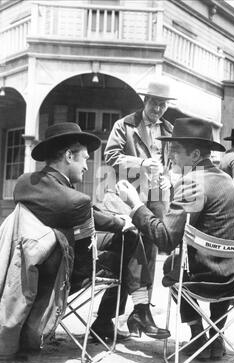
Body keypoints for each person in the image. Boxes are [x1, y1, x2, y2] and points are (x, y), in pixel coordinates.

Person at [116, 118, 234, 360]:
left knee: (171, 265)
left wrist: (134, 203)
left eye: (175, 150)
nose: (170, 155)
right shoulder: (222, 178)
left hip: (217, 280)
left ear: (194, 154)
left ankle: (198, 336)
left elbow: (165, 239)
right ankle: (216, 338)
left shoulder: (192, 182)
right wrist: (164, 194)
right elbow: (182, 223)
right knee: (198, 261)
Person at [13, 122, 141, 342]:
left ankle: (132, 308)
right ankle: (115, 316)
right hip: (64, 272)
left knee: (123, 237)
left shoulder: (24, 184)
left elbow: (78, 208)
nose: (87, 167)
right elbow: (82, 208)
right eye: (85, 159)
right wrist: (122, 223)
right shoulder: (75, 199)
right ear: (69, 157)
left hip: (32, 265)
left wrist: (114, 220)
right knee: (131, 238)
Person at [96, 78, 175, 339]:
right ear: (145, 101)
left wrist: (167, 177)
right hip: (127, 196)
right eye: (155, 103)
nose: (159, 109)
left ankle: (131, 315)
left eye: (163, 105)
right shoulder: (126, 125)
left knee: (148, 256)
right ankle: (132, 314)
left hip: (156, 198)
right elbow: (111, 157)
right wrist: (141, 163)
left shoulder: (169, 129)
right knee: (130, 250)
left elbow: (169, 164)